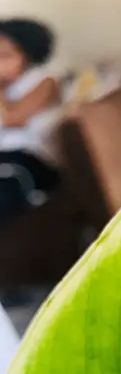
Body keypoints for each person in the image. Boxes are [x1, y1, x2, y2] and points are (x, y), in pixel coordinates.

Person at [0, 19, 61, 224]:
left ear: (26, 56)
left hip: (32, 159)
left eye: (5, 56)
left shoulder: (44, 80)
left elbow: (13, 118)